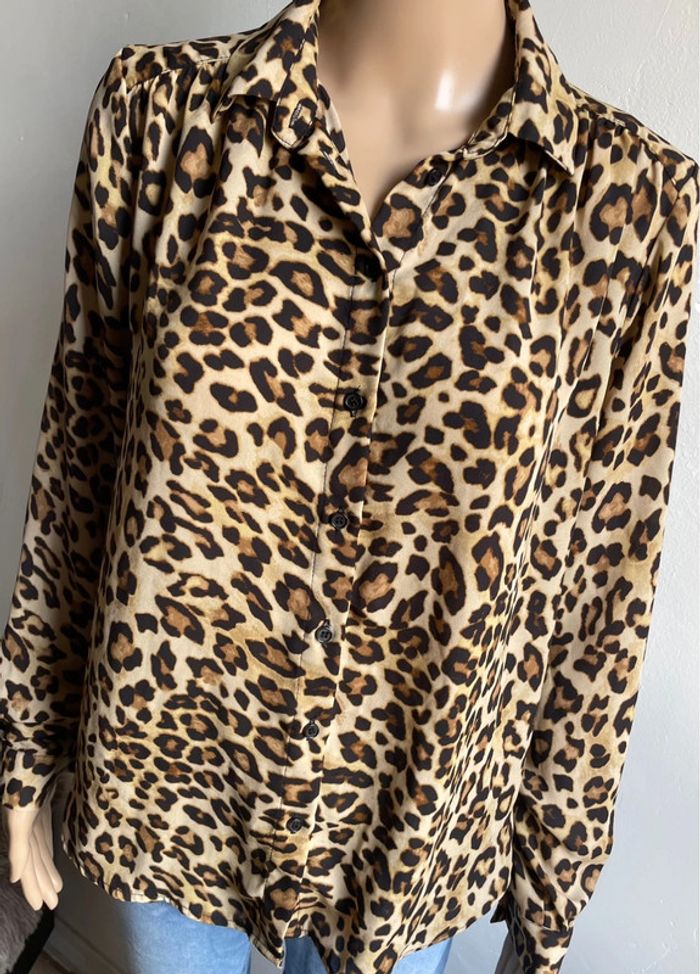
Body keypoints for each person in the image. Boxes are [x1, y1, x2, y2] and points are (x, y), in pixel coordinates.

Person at [2, 1, 698, 973]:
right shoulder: (159, 115)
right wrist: (26, 744)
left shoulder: (633, 202)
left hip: (416, 814)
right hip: (173, 771)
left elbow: (604, 588)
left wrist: (554, 881)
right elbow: (81, 455)